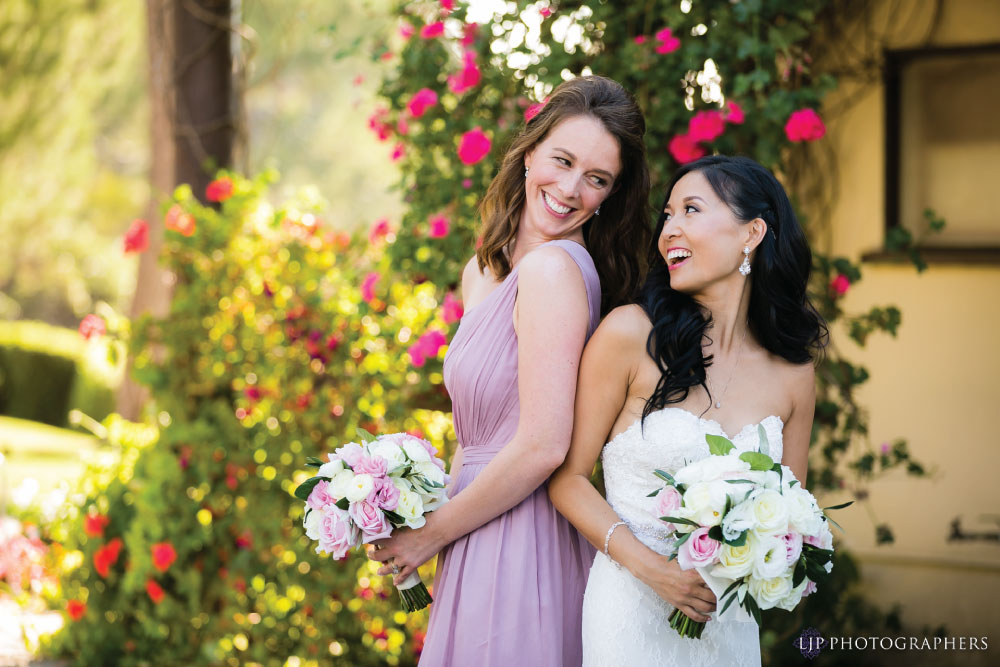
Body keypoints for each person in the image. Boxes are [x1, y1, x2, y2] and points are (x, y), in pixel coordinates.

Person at [369, 75, 651, 666]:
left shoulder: (553, 269)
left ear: (609, 196)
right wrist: (411, 513)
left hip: (522, 536)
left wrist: (434, 532)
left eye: (596, 179)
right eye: (563, 161)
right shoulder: (483, 271)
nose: (571, 189)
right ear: (528, 152)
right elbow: (475, 439)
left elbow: (545, 445)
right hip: (474, 522)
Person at [549, 155, 828, 667]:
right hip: (628, 616)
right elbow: (567, 479)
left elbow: (790, 522)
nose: (670, 229)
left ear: (752, 233)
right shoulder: (630, 335)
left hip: (727, 628)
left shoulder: (794, 374)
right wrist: (654, 570)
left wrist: (765, 563)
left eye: (691, 210)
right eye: (668, 215)